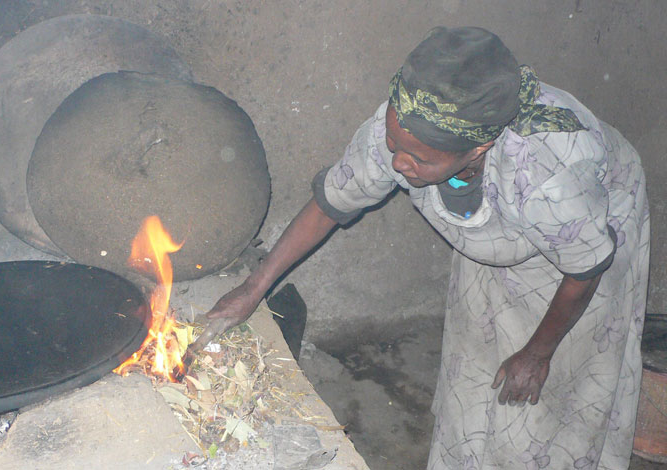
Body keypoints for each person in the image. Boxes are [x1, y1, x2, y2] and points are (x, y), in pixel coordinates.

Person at [205, 26, 649, 469]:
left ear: (478, 148)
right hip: (507, 228)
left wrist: (538, 352)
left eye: (419, 159)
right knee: (475, 367)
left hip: (584, 250)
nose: (399, 163)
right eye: (395, 145)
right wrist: (254, 286)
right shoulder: (405, 128)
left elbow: (584, 269)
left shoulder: (548, 172)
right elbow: (331, 204)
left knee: (549, 405)